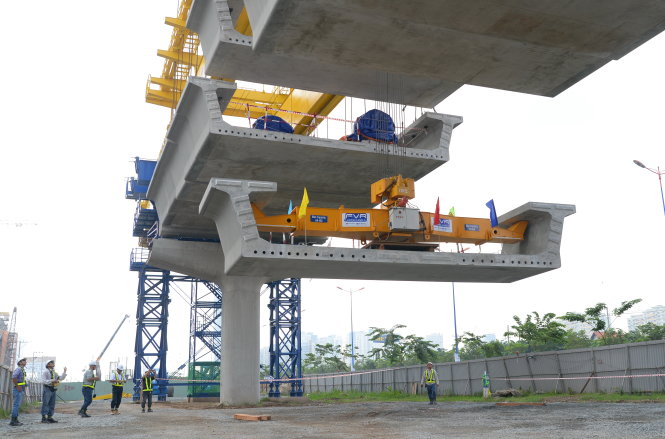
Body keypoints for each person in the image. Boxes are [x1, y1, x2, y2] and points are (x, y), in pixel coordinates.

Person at [9, 358, 27, 426]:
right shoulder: (19, 369)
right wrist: (17, 386)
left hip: (20, 388)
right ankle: (13, 421)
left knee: (17, 405)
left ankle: (15, 420)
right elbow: (14, 377)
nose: (25, 362)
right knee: (16, 405)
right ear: (20, 362)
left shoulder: (22, 370)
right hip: (18, 389)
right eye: (23, 361)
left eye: (25, 361)